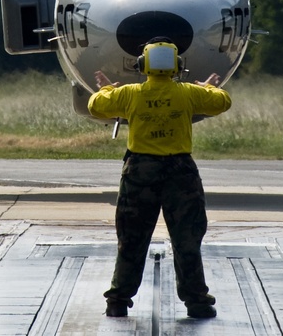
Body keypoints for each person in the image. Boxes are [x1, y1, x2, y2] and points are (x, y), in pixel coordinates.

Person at [88, 38, 232, 320]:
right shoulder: (189, 94)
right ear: (177, 65)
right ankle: (196, 302)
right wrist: (208, 88)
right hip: (180, 172)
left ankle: (118, 300)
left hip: (140, 171)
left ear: (143, 65)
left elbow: (95, 106)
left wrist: (107, 88)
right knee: (187, 240)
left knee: (131, 239)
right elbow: (222, 102)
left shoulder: (130, 94)